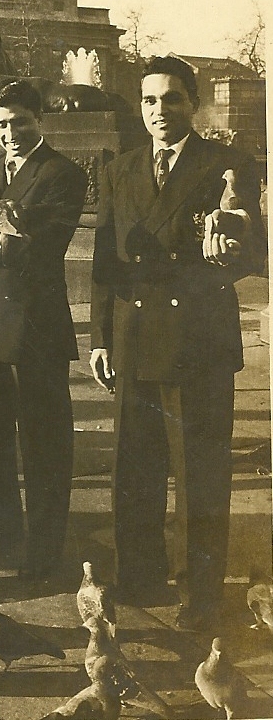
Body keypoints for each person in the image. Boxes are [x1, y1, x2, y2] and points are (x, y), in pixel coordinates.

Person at [90, 55, 267, 632]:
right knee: (134, 467)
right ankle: (139, 577)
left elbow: (255, 248)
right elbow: (104, 263)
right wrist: (99, 340)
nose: (159, 111)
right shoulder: (119, 169)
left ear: (193, 103)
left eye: (171, 99)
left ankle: (201, 595)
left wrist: (233, 240)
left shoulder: (228, 165)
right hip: (133, 337)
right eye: (148, 101)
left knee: (199, 475)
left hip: (197, 341)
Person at [0, 79, 88, 580]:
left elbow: (44, 247)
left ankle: (44, 551)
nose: (10, 133)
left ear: (41, 121)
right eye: (1, 125)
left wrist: (10, 230)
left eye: (21, 123)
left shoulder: (63, 173)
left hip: (35, 322)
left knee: (43, 439)